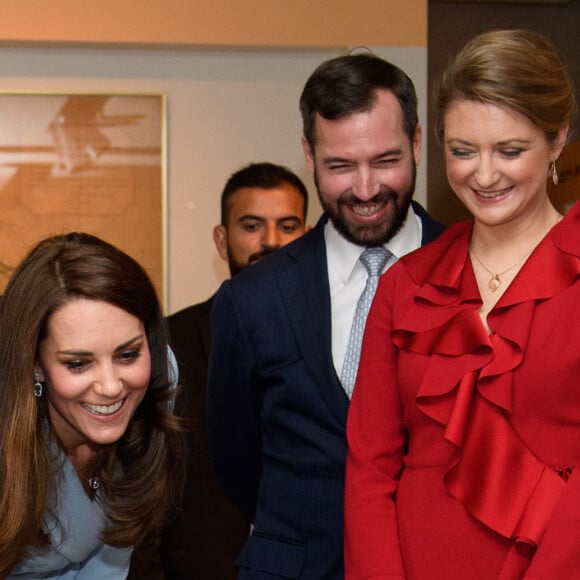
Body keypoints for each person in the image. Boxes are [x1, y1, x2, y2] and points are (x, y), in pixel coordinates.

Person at [344, 29, 578, 579]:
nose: (485, 174)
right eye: (463, 151)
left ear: (558, 141)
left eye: (510, 150)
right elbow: (370, 468)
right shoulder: (407, 284)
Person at [207, 53, 445, 578]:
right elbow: (235, 459)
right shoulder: (252, 300)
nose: (365, 190)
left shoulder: (474, 271)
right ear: (309, 155)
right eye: (340, 166)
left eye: (385, 161)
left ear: (418, 143)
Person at [0, 232, 186, 579]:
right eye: (78, 364)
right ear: (35, 364)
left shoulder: (159, 384)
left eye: (128, 354)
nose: (111, 386)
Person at [158, 162, 310, 579]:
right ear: (222, 241)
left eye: (288, 225)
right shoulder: (169, 341)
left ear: (309, 237)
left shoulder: (339, 341)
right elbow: (142, 481)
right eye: (252, 226)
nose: (270, 241)